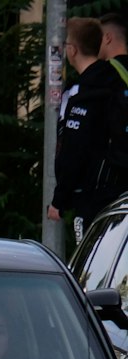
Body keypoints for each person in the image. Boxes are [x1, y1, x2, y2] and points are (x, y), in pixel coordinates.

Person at [50, 17, 122, 240]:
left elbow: (74, 148)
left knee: (89, 261)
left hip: (91, 195)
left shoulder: (82, 94)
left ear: (72, 50)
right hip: (119, 188)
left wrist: (59, 201)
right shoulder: (117, 80)